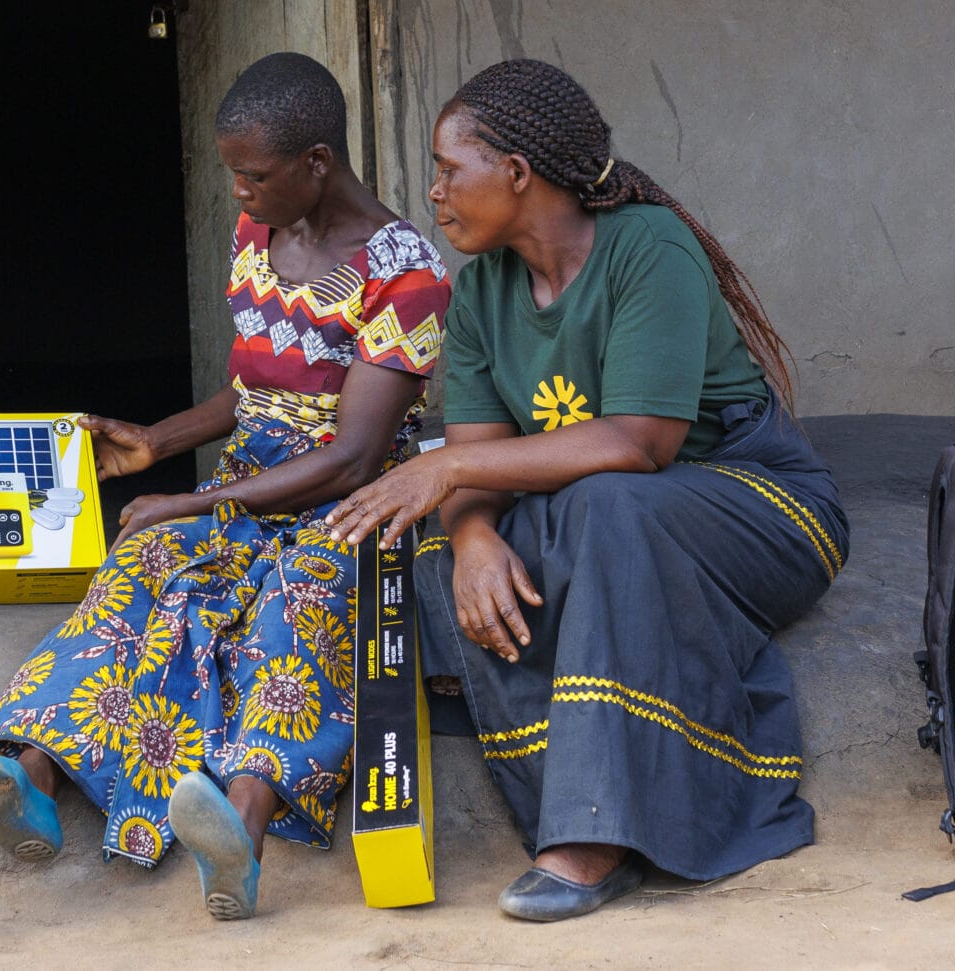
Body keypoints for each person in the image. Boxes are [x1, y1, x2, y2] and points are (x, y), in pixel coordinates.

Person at [326, 58, 849, 922]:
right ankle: (572, 787)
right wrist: (473, 540)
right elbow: (478, 454)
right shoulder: (480, 292)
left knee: (604, 506)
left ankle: (597, 833)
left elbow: (640, 444)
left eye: (451, 169)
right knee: (428, 554)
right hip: (603, 514)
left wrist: (449, 471)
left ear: (518, 174)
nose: (435, 191)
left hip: (758, 500)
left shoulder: (650, 249)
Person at [0, 52, 449, 921]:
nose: (239, 192)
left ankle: (240, 834)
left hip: (354, 506)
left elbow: (354, 457)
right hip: (249, 483)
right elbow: (253, 389)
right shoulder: (258, 237)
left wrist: (195, 499)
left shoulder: (407, 273)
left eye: (253, 175)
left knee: (303, 592)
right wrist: (160, 441)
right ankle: (27, 774)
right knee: (146, 565)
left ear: (316, 164)